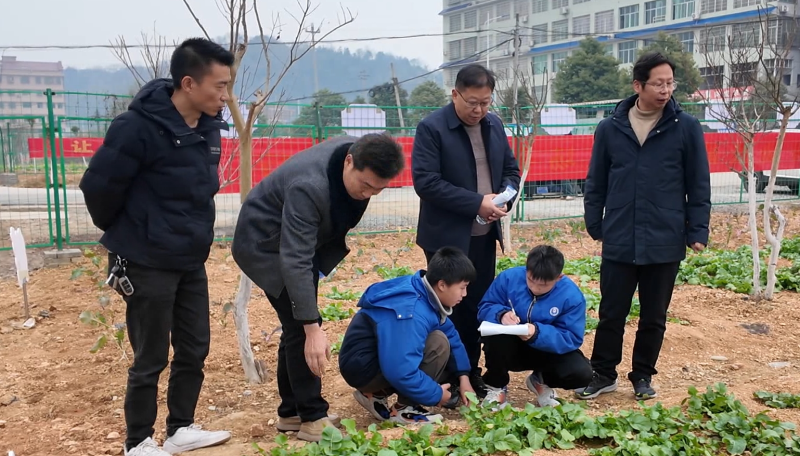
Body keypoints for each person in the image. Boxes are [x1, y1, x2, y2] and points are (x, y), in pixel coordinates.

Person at [79, 38, 236, 455]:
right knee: (150, 355)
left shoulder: (208, 125)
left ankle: (180, 428)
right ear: (188, 83)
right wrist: (131, 234)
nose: (225, 96)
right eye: (219, 86)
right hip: (146, 258)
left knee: (194, 346)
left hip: (190, 257)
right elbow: (98, 188)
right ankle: (138, 442)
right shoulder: (136, 128)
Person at [231, 133, 406, 442]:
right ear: (349, 161)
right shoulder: (309, 186)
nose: (368, 194)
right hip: (265, 245)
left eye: (377, 190)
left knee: (294, 325)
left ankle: (291, 412)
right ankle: (312, 417)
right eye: (365, 185)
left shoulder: (359, 153)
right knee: (302, 327)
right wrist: (312, 327)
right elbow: (295, 259)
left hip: (299, 242)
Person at [576, 51, 711, 401]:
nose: (666, 90)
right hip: (620, 234)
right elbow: (596, 181)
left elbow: (698, 183)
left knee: (654, 316)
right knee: (611, 312)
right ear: (638, 85)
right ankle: (604, 373)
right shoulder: (610, 128)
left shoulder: (686, 127)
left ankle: (642, 375)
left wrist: (697, 230)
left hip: (665, 236)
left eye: (670, 83)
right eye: (658, 83)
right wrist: (595, 223)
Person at [412, 63, 521, 404]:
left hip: (483, 235)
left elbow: (511, 170)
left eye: (485, 102)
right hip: (446, 239)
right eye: (472, 102)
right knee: (447, 308)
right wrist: (477, 202)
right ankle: (445, 377)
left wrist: (505, 196)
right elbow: (426, 183)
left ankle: (471, 373)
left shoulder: (494, 125)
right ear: (455, 94)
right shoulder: (432, 128)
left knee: (477, 305)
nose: (479, 110)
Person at [338, 247, 477, 424]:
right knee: (438, 343)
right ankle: (405, 409)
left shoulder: (420, 290)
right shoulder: (412, 312)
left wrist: (464, 376)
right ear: (442, 285)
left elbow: (450, 332)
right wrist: (436, 395)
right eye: (462, 288)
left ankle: (375, 394)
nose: (464, 294)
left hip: (363, 361)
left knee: (441, 337)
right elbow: (400, 371)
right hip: (363, 370)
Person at [477, 245, 592, 408]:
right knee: (495, 336)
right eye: (530, 280)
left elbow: (571, 337)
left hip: (546, 350)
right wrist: (501, 314)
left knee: (582, 373)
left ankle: (541, 380)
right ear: (526, 270)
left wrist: (537, 332)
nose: (535, 288)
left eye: (544, 285)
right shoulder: (508, 278)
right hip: (509, 347)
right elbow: (485, 307)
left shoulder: (572, 296)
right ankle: (496, 386)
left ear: (559, 277)